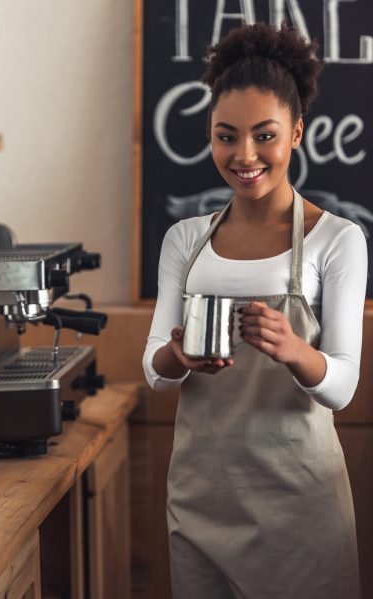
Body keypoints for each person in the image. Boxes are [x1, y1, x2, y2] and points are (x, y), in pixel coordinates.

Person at [142, 21, 367, 599]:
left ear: (296, 133)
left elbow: (341, 387)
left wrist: (295, 351)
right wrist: (178, 354)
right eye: (226, 136)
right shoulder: (183, 240)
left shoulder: (336, 239)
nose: (244, 156)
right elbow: (154, 375)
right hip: (200, 501)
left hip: (298, 507)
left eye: (264, 135)